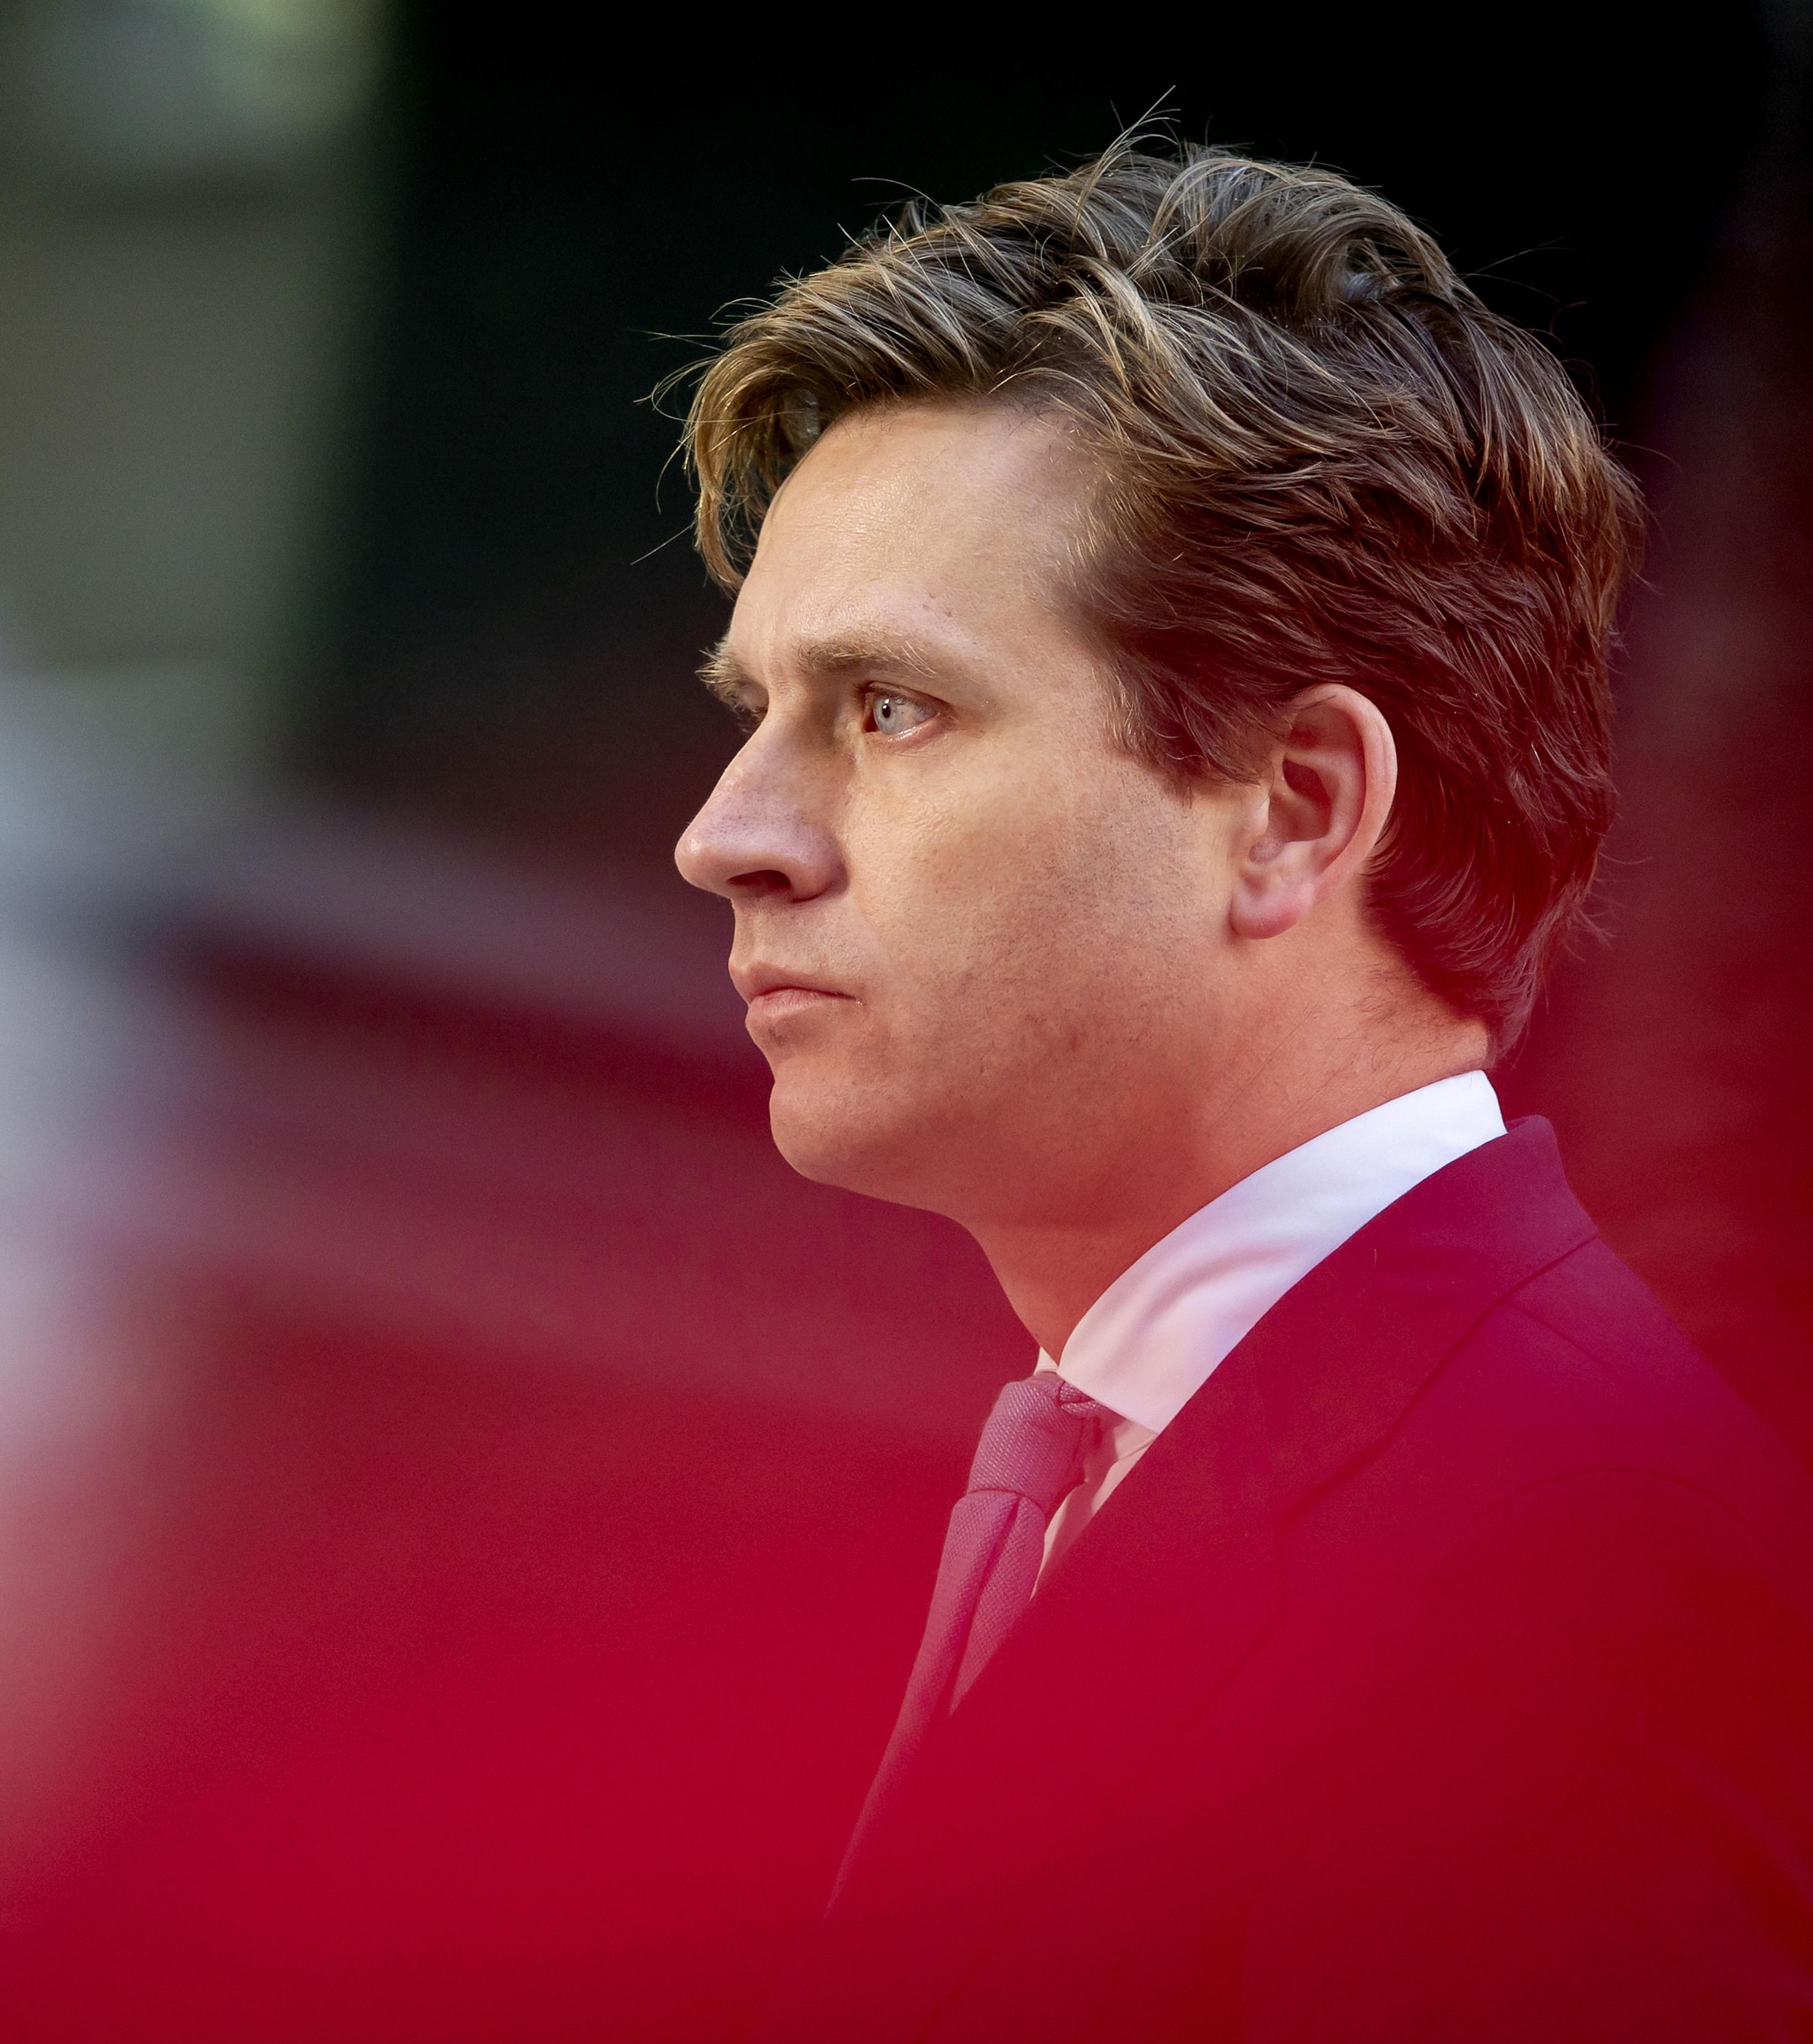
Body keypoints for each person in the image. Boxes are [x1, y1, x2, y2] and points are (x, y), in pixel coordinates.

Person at [672, 139, 1813, 2041]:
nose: (733, 835)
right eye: (755, 714)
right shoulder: (1138, 1446)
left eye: (890, 711)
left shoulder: (1575, 1600)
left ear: (1296, 812)